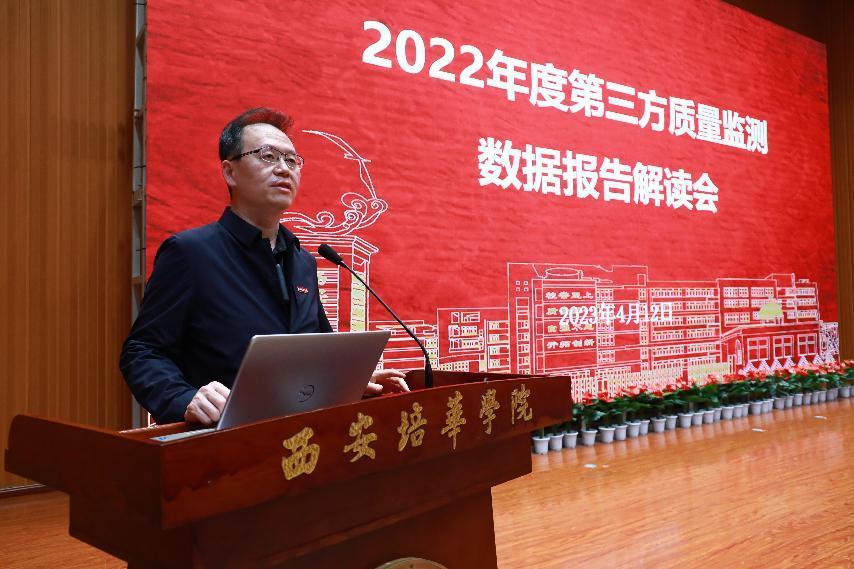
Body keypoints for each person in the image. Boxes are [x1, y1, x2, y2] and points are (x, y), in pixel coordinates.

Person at [120, 107, 408, 426]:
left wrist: (351, 379)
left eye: (292, 161)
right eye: (268, 156)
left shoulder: (302, 261)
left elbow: (318, 349)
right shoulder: (191, 253)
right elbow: (142, 351)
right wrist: (183, 398)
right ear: (230, 172)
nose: (284, 169)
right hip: (223, 437)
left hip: (302, 437)